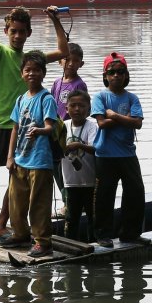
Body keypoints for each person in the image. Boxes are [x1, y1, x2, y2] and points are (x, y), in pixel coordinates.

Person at [0, 4, 68, 251]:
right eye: (13, 31)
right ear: (6, 31)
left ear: (28, 33)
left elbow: (63, 50)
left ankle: (2, 223)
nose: (17, 36)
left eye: (22, 31)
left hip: (21, 126)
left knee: (15, 177)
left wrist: (55, 19)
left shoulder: (31, 60)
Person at [91, 52, 148, 249]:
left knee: (135, 193)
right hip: (105, 155)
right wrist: (125, 119)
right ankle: (103, 235)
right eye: (111, 72)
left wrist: (114, 115)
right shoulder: (100, 96)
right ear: (105, 75)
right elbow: (101, 123)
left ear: (126, 75)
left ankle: (130, 234)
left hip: (127, 154)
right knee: (104, 196)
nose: (116, 75)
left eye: (120, 72)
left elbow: (138, 124)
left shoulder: (132, 98)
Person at [3, 51, 57, 258]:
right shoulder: (21, 99)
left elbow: (50, 126)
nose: (32, 74)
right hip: (20, 158)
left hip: (40, 161)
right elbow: (15, 128)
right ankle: (20, 233)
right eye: (28, 70)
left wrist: (40, 131)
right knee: (16, 201)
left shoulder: (46, 98)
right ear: (22, 74)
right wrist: (10, 157)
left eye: (36, 70)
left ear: (43, 73)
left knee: (39, 203)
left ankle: (43, 242)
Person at [49, 42, 88, 219]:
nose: (70, 63)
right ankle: (67, 202)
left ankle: (71, 204)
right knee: (56, 169)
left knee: (69, 170)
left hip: (70, 133)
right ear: (59, 61)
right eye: (67, 59)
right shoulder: (57, 83)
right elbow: (51, 106)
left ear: (81, 63)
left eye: (75, 60)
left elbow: (82, 108)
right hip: (56, 133)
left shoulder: (79, 85)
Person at [61, 90, 98, 241]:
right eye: (73, 105)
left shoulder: (92, 126)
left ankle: (95, 244)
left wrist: (78, 145)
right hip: (70, 182)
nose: (77, 109)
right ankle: (70, 243)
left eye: (81, 106)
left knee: (93, 216)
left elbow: (95, 148)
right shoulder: (62, 126)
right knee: (71, 217)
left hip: (90, 182)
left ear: (89, 109)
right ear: (66, 108)